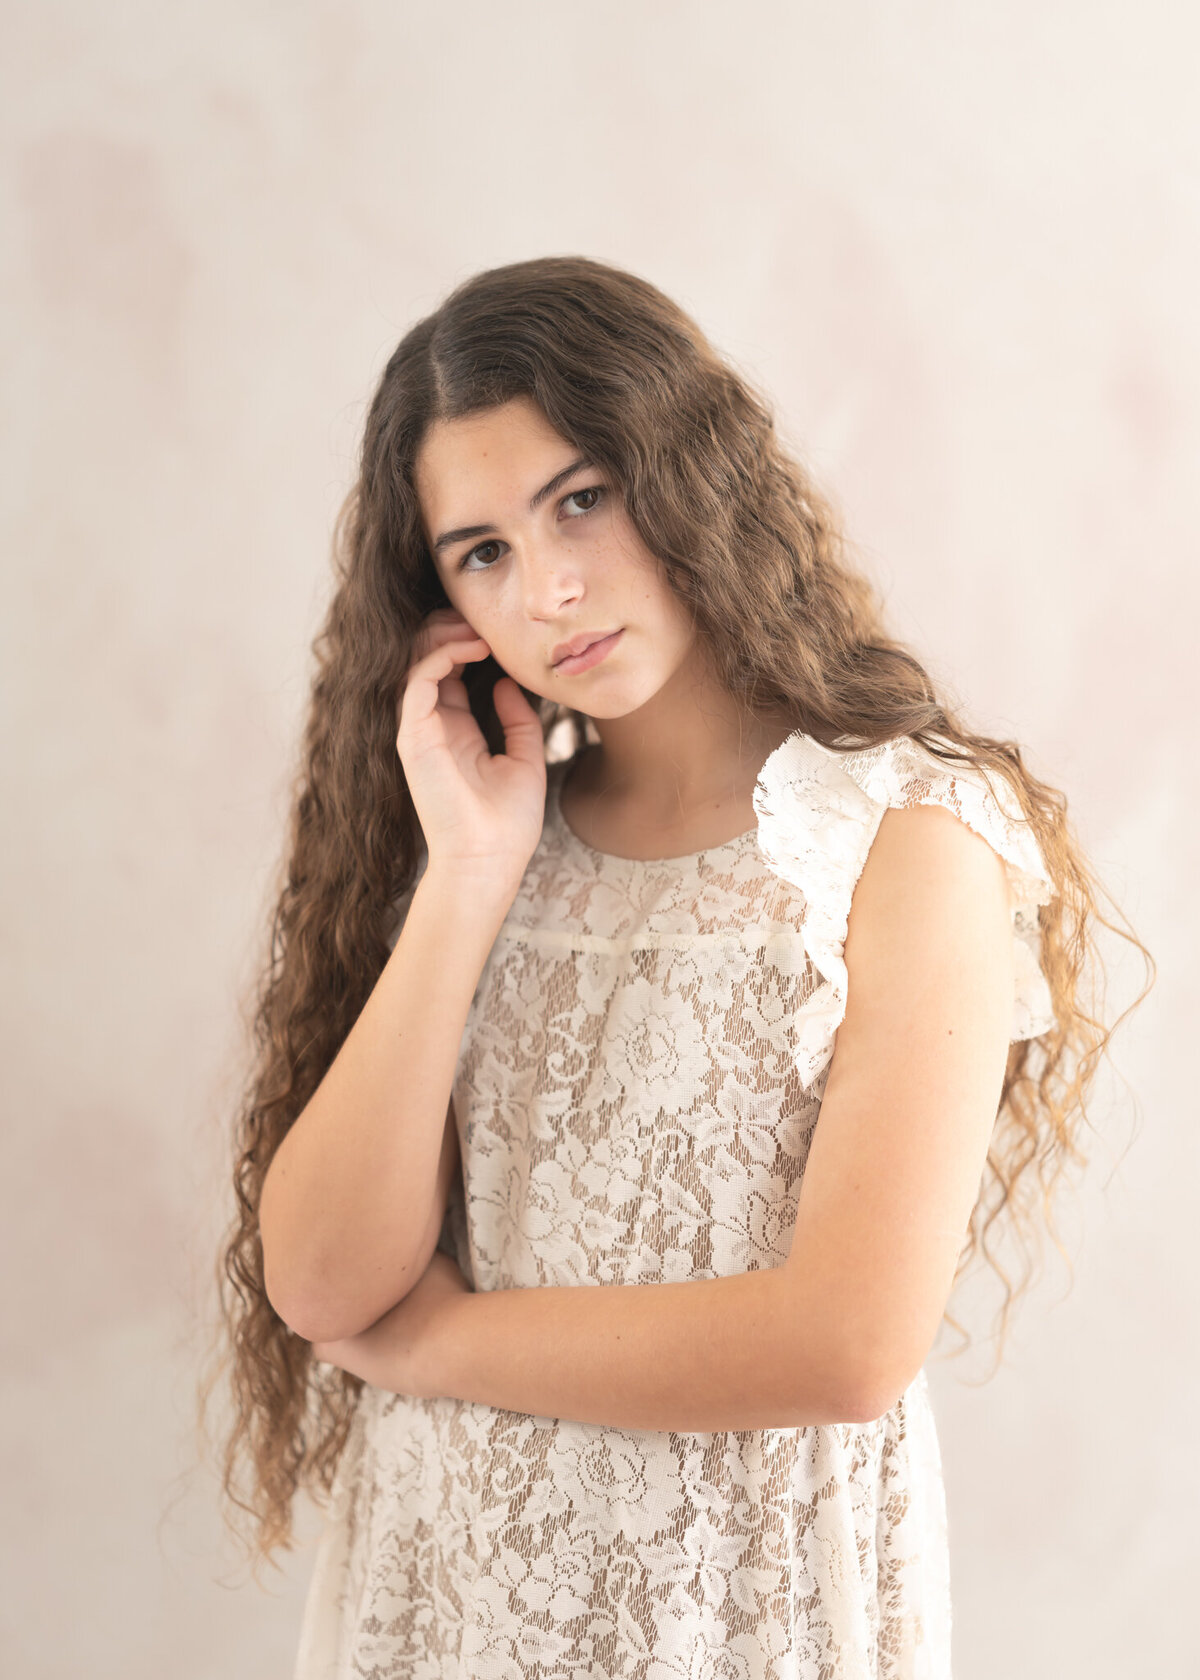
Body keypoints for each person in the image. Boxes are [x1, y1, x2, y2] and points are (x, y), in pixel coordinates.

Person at [201, 256, 1151, 1678]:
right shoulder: (482, 844)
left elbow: (847, 1343)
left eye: (581, 498)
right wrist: (468, 876)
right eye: (485, 552)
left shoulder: (903, 836)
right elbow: (327, 1281)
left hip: (736, 1613)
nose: (553, 587)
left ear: (687, 469)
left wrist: (437, 1347)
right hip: (450, 1600)